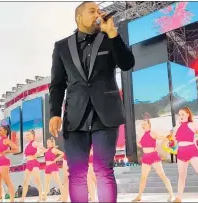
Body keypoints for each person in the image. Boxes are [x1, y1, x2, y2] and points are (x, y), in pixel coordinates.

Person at [48, 1, 135, 202]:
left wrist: (112, 33)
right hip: (75, 117)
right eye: (92, 11)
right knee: (77, 173)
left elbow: (127, 64)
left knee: (103, 170)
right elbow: (57, 84)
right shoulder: (61, 46)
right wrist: (54, 113)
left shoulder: (109, 38)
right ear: (79, 17)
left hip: (106, 114)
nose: (98, 13)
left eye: (98, 9)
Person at [132, 119, 175, 202]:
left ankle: (172, 195)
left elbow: (162, 137)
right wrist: (140, 143)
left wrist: (169, 136)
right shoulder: (142, 134)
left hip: (154, 156)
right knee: (143, 178)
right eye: (142, 125)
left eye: (144, 124)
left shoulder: (152, 133)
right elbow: (139, 144)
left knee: (162, 176)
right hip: (146, 157)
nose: (143, 126)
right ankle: (139, 196)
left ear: (148, 124)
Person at [0, 125, 19, 202]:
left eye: (0, 130)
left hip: (3, 162)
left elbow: (16, 149)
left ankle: (12, 200)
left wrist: (8, 151)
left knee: (7, 182)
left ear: (5, 131)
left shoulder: (6, 140)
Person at [20, 130, 43, 202]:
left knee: (37, 180)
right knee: (25, 182)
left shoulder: (35, 143)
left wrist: (37, 154)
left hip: (34, 163)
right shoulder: (27, 145)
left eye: (29, 134)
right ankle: (22, 199)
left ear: (33, 135)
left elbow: (43, 149)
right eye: (27, 135)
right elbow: (26, 155)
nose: (27, 136)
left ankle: (40, 197)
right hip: (28, 164)